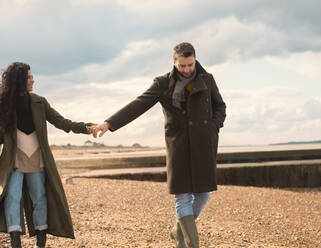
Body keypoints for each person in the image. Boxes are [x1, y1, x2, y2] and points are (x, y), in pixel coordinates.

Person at [92, 42, 226, 248]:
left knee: (203, 195)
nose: (187, 69)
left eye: (190, 65)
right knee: (182, 197)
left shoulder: (207, 79)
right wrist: (109, 123)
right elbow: (139, 104)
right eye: (182, 65)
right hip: (178, 145)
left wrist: (213, 127)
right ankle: (189, 244)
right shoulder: (163, 83)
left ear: (195, 60)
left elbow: (220, 106)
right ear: (174, 62)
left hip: (202, 144)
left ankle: (177, 230)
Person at [0, 62, 95, 248]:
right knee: (12, 196)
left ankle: (41, 240)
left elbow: (62, 122)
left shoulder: (39, 102)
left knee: (40, 197)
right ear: (19, 80)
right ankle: (15, 240)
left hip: (37, 159)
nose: (33, 79)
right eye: (29, 77)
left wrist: (87, 128)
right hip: (13, 161)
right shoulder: (3, 104)